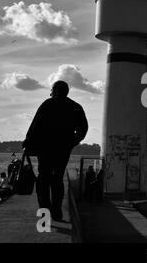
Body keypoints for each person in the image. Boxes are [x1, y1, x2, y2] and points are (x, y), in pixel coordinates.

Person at [23, 80, 88, 221]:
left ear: (55, 90)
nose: (51, 92)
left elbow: (35, 126)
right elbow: (83, 129)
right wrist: (72, 142)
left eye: (52, 89)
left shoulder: (47, 104)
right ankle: (57, 212)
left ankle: (45, 212)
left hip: (44, 148)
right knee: (57, 179)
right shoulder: (75, 107)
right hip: (63, 149)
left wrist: (28, 142)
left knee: (43, 179)